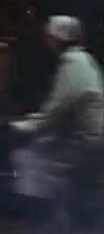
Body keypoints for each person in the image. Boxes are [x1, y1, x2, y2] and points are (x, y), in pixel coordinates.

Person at [11, 16, 104, 214]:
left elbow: (56, 111)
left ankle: (39, 214)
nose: (47, 43)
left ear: (58, 39)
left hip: (87, 141)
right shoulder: (83, 60)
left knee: (28, 156)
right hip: (86, 136)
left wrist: (24, 126)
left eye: (49, 38)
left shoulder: (73, 64)